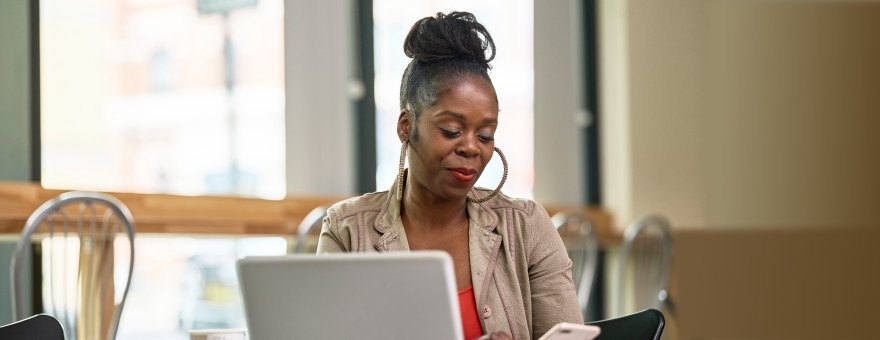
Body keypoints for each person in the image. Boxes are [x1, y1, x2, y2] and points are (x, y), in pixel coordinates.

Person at [317, 11, 583, 340]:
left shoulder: (526, 227)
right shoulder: (348, 231)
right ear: (406, 126)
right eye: (452, 130)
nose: (471, 147)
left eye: (485, 135)